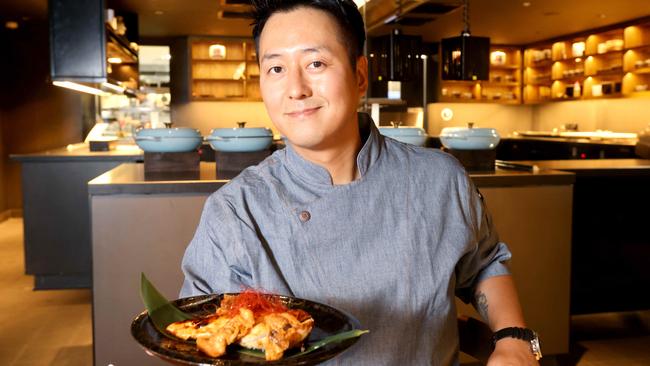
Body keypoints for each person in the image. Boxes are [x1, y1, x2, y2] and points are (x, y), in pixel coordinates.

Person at [180, 0, 540, 364]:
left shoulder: (440, 180)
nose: (296, 88)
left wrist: (514, 337)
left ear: (360, 75)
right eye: (275, 68)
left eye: (315, 63)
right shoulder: (235, 212)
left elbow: (485, 264)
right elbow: (199, 335)